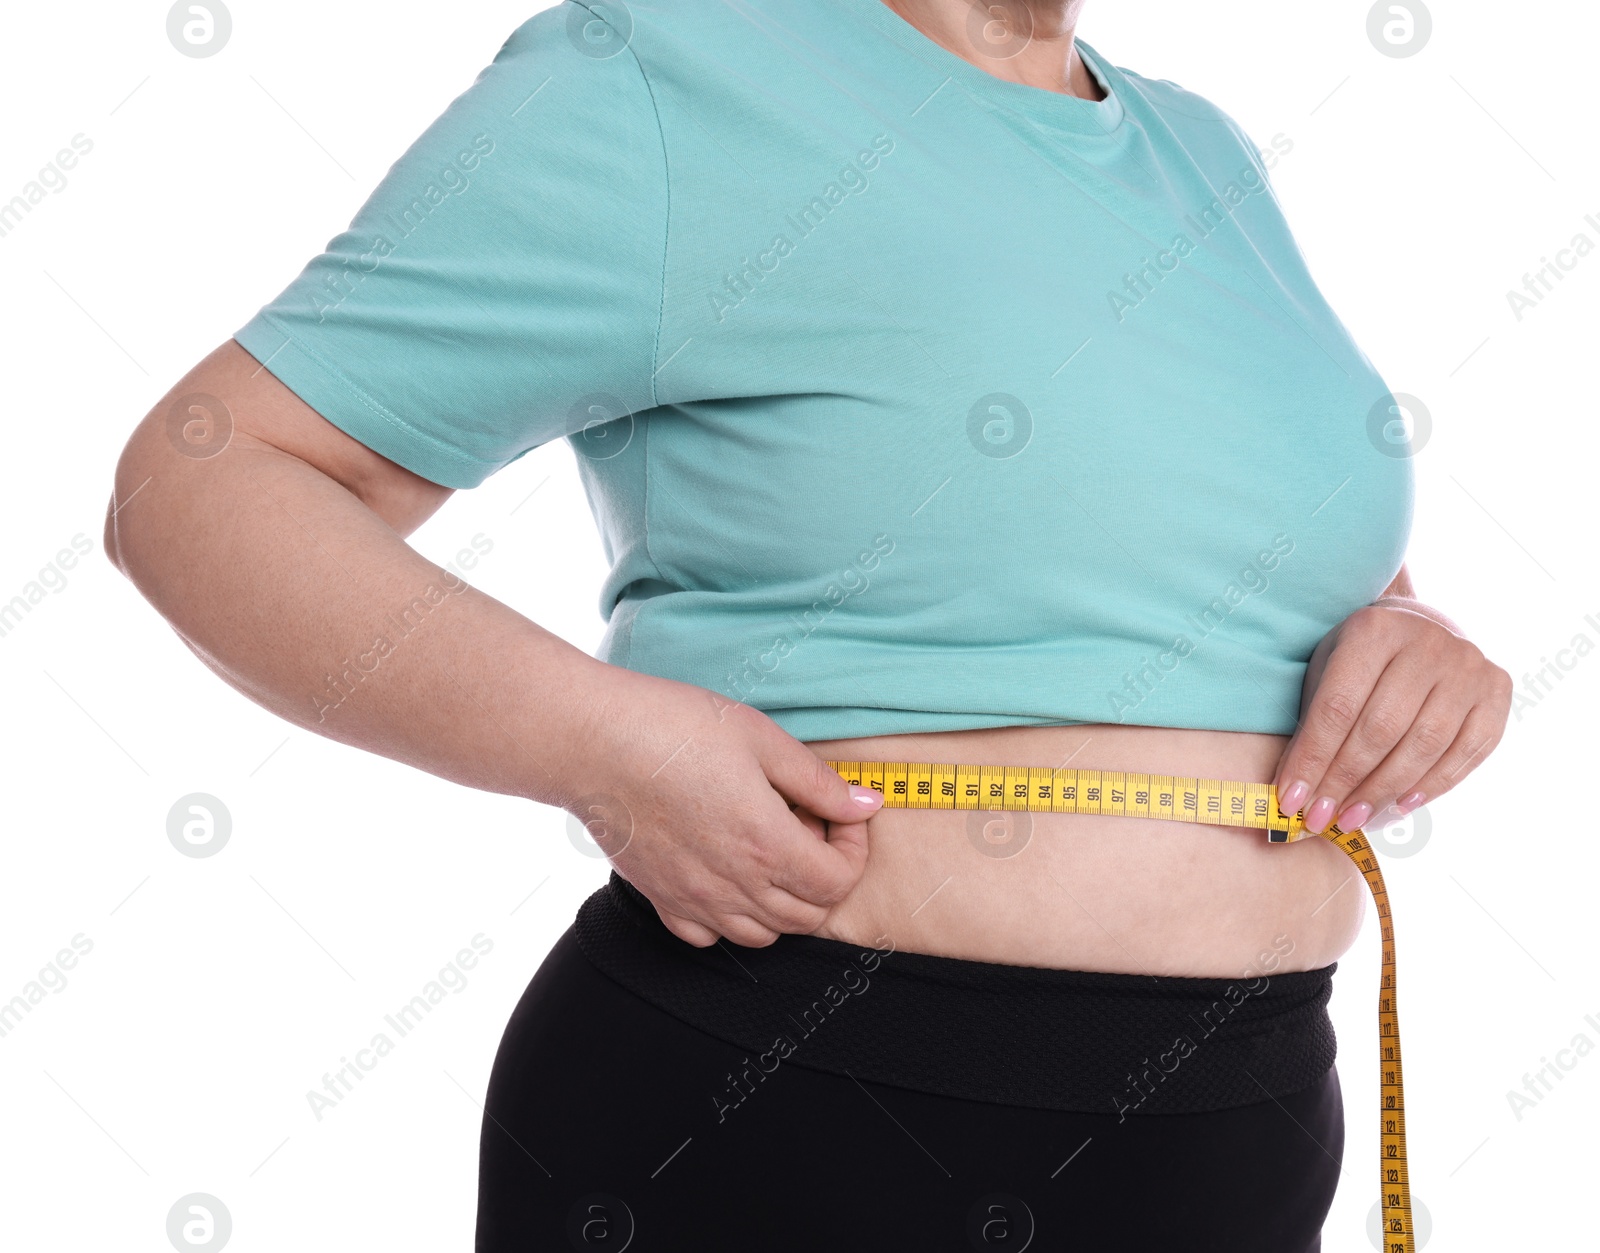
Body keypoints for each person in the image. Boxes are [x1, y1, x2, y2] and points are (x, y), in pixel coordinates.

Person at [105, 1, 1512, 1249]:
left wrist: (1421, 651)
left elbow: (1181, 546)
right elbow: (200, 479)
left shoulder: (1202, 154)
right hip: (798, 1101)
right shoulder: (677, 66)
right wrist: (607, 747)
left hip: (1244, 1114)